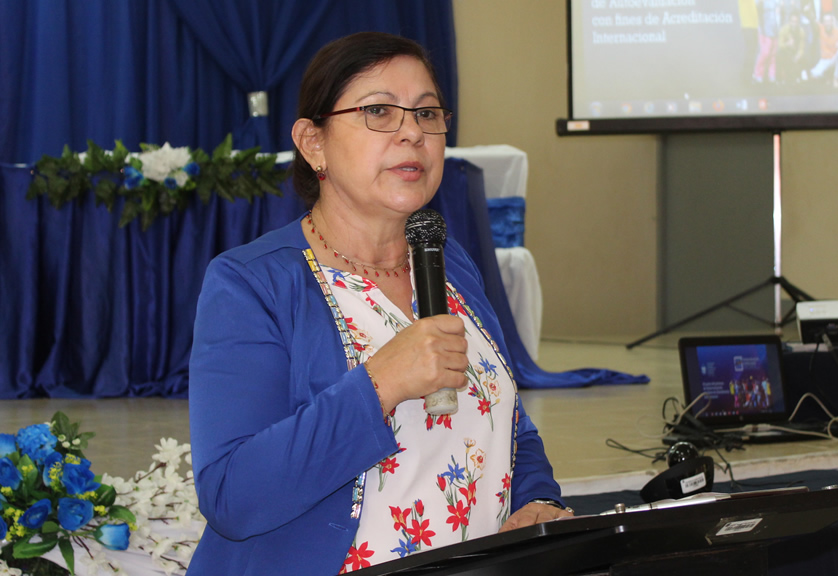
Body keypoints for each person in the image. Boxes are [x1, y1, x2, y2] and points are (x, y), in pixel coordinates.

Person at [186, 32, 570, 576]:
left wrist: (539, 499)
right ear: (312, 142)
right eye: (379, 111)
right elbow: (233, 495)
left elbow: (510, 424)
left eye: (428, 113)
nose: (412, 132)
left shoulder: (448, 262)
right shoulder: (252, 284)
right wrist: (379, 383)